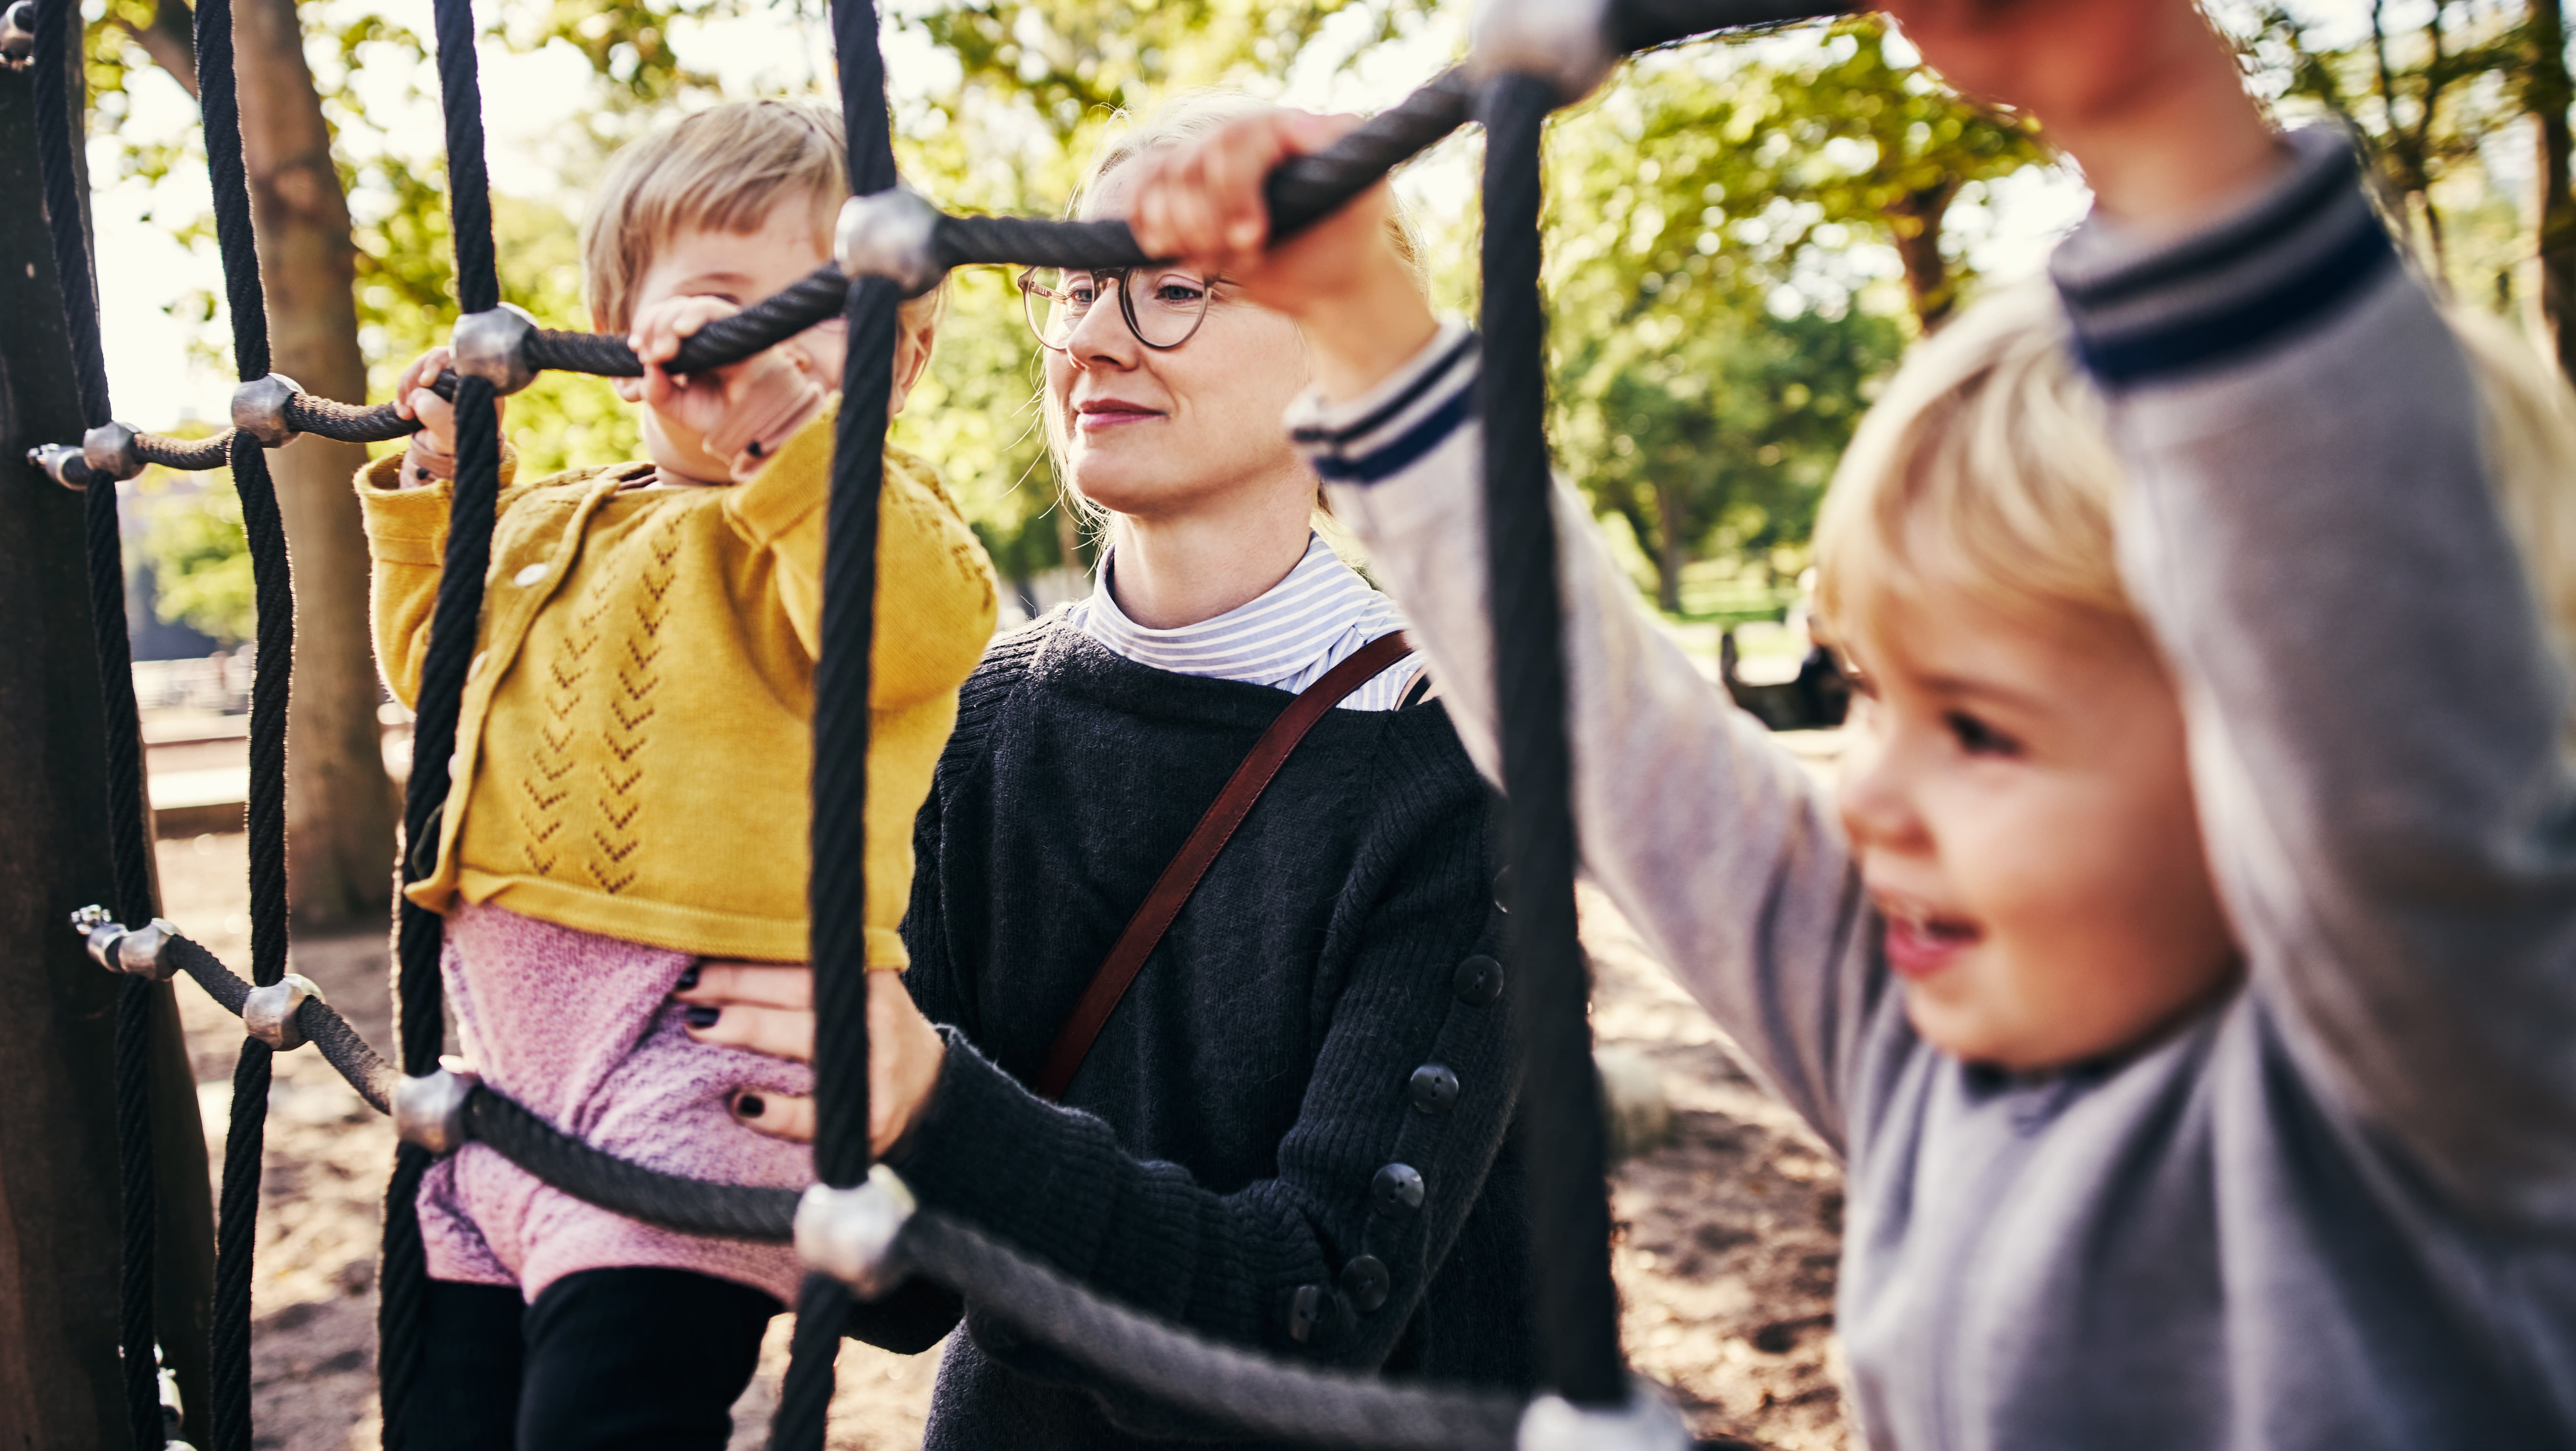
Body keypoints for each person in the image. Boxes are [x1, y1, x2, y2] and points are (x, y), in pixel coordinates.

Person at [1117, 2, 2576, 1445]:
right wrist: (1362, 319)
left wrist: (2155, 125)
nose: (1866, 793)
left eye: (1981, 731)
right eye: (1870, 693)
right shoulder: (1910, 1033)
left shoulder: (2443, 1094)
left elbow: (2387, 725)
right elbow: (1611, 739)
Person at [674, 96, 1535, 1448]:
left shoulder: (1453, 763)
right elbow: (903, 1297)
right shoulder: (974, 716)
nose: (1088, 336)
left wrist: (927, 1100)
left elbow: (1309, 1310)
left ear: (1338, 343)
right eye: (1074, 286)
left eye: (1173, 288)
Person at [360, 99, 996, 1450]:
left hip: (689, 1086)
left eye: (815, 308)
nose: (763, 341)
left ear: (906, 352)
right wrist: (441, 499)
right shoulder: (553, 518)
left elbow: (915, 632)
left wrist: (785, 438)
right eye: (721, 302)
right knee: (443, 1419)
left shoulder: (863, 520)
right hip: (497, 1085)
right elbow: (436, 670)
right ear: (616, 323)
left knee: (604, 1423)